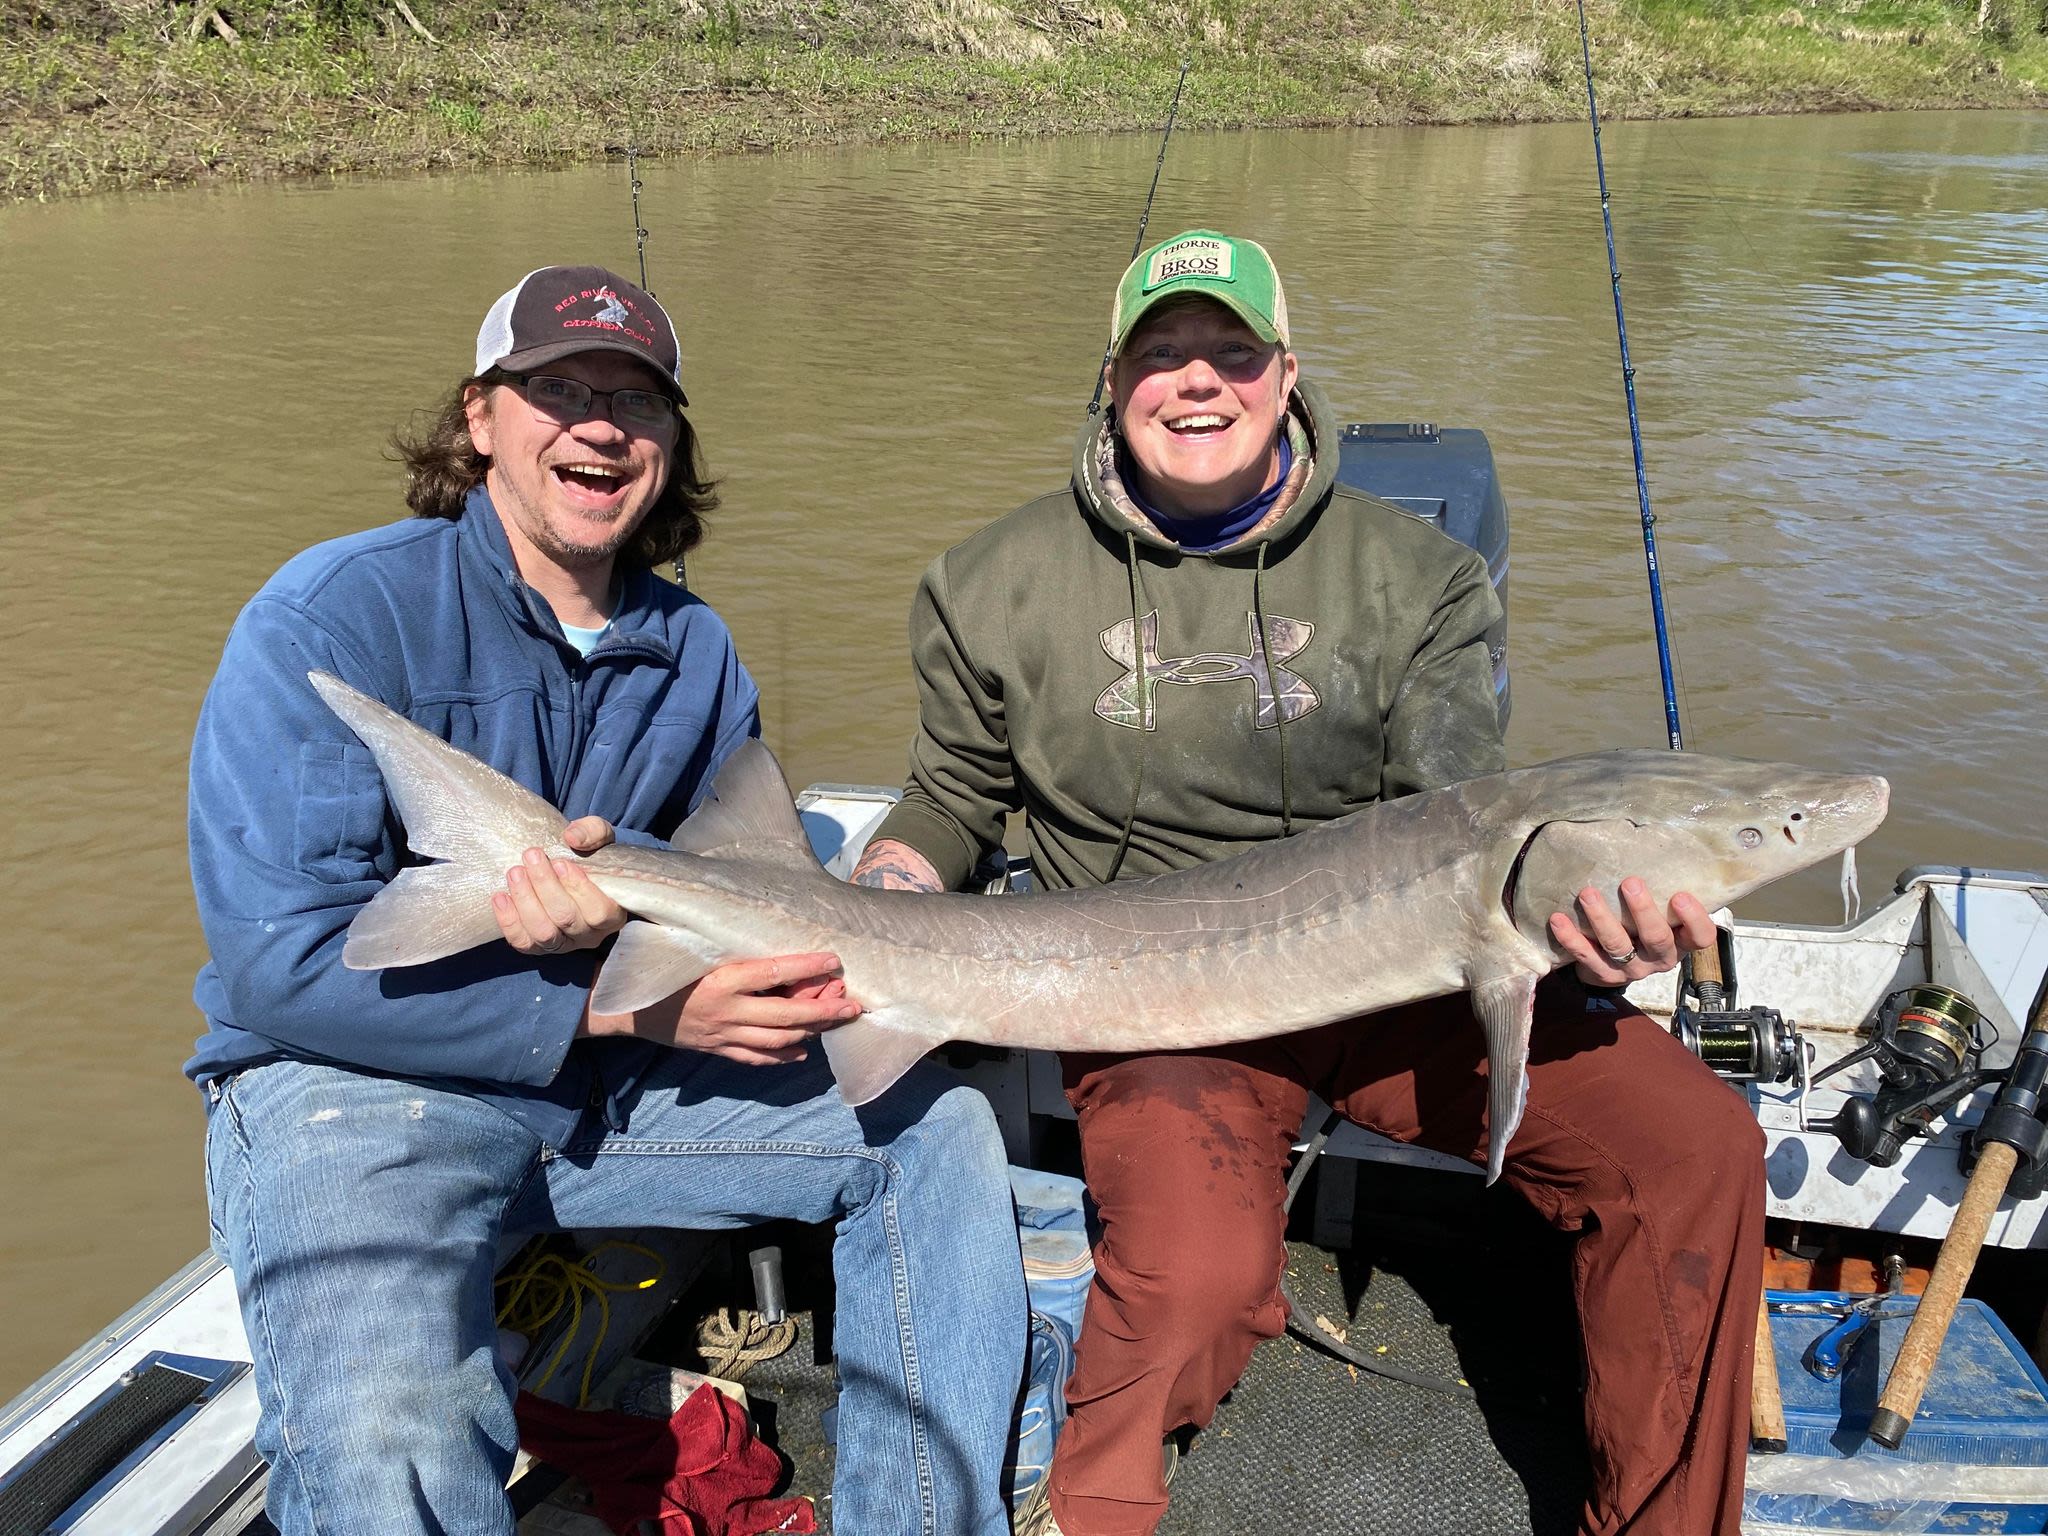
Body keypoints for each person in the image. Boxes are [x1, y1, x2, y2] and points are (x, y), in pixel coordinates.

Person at [852, 231, 1766, 1536]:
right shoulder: (990, 583)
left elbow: (1468, 806)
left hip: (1409, 969)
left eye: (1231, 351)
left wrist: (1587, 931)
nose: (1198, 382)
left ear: (1287, 376)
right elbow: (950, 797)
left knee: (1696, 1152)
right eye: (1163, 354)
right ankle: (1093, 1505)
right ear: (1114, 382)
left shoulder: (1421, 578)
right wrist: (883, 889)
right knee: (1191, 1279)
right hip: (1155, 994)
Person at [186, 265, 1026, 1536]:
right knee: (386, 1422)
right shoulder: (332, 614)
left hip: (610, 1092)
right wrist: (614, 1015)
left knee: (936, 1134)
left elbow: (734, 885)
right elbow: (279, 966)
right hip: (350, 1090)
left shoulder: (694, 651)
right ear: (479, 418)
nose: (599, 424)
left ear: (669, 447)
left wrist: (764, 974)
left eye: (637, 402)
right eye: (558, 389)